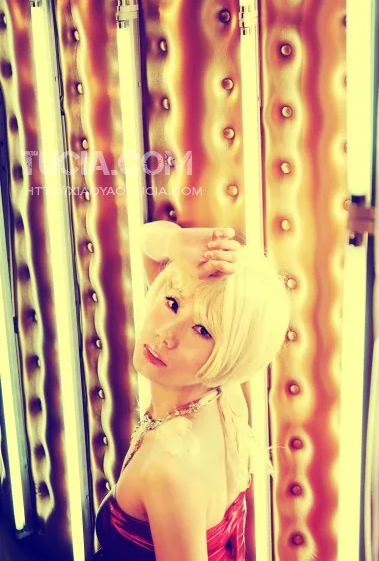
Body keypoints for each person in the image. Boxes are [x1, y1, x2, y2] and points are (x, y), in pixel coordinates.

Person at [94, 221, 291, 560]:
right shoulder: (224, 396)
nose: (167, 335)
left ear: (231, 352)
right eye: (172, 303)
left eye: (202, 330)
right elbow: (146, 242)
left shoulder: (167, 471)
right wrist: (177, 242)